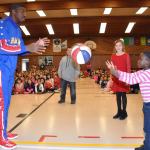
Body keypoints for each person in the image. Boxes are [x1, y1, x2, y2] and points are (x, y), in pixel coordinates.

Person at [0, 4, 50, 149]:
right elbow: (2, 46)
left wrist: (34, 47)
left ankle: (3, 130)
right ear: (13, 12)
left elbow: (20, 50)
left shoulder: (18, 30)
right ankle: (1, 138)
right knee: (1, 104)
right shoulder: (2, 24)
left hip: (10, 72)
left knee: (7, 103)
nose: (25, 14)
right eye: (23, 11)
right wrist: (28, 47)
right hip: (1, 70)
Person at [106, 52, 150, 150]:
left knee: (148, 128)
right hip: (147, 104)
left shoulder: (147, 73)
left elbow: (131, 81)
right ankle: (147, 144)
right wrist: (116, 71)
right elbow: (130, 76)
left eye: (140, 59)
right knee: (147, 127)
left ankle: (147, 147)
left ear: (147, 62)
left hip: (149, 105)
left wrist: (115, 72)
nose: (138, 61)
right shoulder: (142, 71)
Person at [111, 39, 131, 120]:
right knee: (118, 96)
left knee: (123, 95)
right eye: (116, 45)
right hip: (116, 78)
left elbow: (128, 67)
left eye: (120, 45)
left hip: (124, 78)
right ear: (115, 47)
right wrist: (111, 78)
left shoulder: (126, 55)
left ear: (122, 46)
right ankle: (119, 111)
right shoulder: (113, 56)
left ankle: (124, 112)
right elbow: (112, 68)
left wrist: (128, 79)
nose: (118, 47)